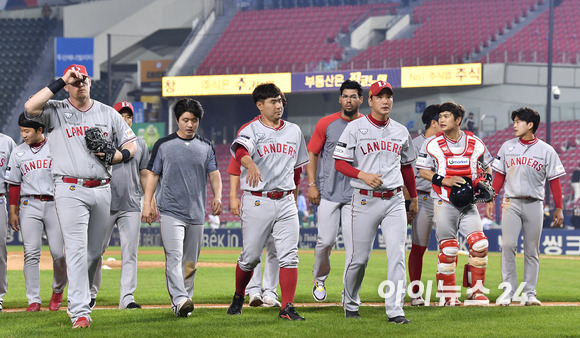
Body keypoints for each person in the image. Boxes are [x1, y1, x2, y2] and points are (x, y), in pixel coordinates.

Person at [24, 64, 138, 328]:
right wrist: (61, 80)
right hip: (69, 187)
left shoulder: (107, 113)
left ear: (90, 82)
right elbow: (30, 108)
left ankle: (82, 298)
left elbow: (131, 142)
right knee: (75, 250)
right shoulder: (56, 111)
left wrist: (120, 155)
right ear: (66, 85)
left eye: (83, 79)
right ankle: (80, 312)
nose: (80, 83)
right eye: (74, 81)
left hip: (102, 187)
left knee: (94, 253)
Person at [334, 80, 417, 322]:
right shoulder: (355, 128)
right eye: (379, 96)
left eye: (388, 96)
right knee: (358, 259)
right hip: (363, 200)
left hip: (394, 200)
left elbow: (407, 168)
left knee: (397, 256)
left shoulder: (401, 131)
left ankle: (395, 310)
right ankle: (350, 302)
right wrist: (362, 175)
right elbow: (340, 162)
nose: (385, 100)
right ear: (369, 101)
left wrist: (413, 199)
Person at [226, 83, 309, 321]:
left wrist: (294, 194)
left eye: (280, 100)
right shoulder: (252, 129)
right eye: (273, 101)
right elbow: (241, 150)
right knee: (251, 257)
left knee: (289, 256)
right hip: (257, 200)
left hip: (285, 200)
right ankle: (239, 295)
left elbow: (296, 169)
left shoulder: (294, 131)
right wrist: (250, 164)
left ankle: (287, 307)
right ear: (260, 105)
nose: (279, 105)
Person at [141, 98, 222, 318]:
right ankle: (179, 299)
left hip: (196, 213)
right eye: (185, 120)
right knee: (174, 257)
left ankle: (185, 300)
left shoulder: (206, 147)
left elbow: (214, 174)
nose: (189, 124)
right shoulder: (163, 145)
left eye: (194, 120)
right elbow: (153, 174)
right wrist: (148, 204)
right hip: (170, 211)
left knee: (190, 262)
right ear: (177, 120)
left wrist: (218, 196)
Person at [486, 107, 565, 306]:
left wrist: (559, 207)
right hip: (511, 202)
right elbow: (499, 176)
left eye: (519, 121)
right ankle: (508, 291)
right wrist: (491, 198)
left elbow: (554, 180)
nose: (514, 124)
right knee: (508, 246)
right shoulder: (507, 146)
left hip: (534, 204)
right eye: (514, 121)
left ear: (530, 125)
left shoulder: (546, 150)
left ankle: (529, 293)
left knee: (532, 250)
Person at [416, 102, 494, 307]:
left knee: (480, 245)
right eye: (440, 116)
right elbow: (423, 171)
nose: (441, 120)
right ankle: (448, 296)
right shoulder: (430, 144)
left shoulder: (476, 143)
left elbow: (487, 167)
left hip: (469, 204)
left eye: (446, 116)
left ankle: (475, 293)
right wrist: (444, 180)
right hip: (443, 201)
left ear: (458, 120)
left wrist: (485, 182)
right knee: (449, 249)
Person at [307, 79, 363, 303]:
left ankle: (349, 292)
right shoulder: (326, 123)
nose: (349, 100)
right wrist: (312, 185)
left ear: (361, 99)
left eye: (353, 96)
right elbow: (312, 153)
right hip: (328, 192)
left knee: (354, 247)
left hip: (355, 194)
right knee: (325, 241)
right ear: (340, 99)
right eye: (345, 96)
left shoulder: (366, 125)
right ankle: (319, 279)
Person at [90, 101, 151, 310]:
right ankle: (89, 293)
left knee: (130, 253)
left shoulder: (140, 143)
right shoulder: (102, 141)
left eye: (129, 116)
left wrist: (149, 202)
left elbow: (144, 173)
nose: (126, 120)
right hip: (104, 203)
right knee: (96, 251)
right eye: (121, 116)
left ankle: (127, 298)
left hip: (131, 203)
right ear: (113, 118)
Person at [6, 114, 66, 312]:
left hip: (54, 204)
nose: (23, 134)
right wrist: (13, 211)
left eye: (27, 130)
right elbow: (14, 184)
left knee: (59, 254)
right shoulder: (18, 152)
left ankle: (57, 290)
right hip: (28, 204)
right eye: (21, 130)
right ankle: (34, 300)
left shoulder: (56, 148)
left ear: (40, 130)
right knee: (31, 253)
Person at [229, 171, 280, 308]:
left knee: (275, 248)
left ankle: (270, 292)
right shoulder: (249, 149)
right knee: (254, 249)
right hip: (256, 198)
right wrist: (233, 196)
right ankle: (253, 290)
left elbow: (296, 176)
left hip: (281, 200)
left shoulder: (288, 149)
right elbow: (235, 166)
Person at [407, 104, 441, 306]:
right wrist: (412, 200)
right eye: (442, 118)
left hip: (444, 198)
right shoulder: (415, 143)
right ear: (434, 122)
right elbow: (408, 174)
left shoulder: (446, 144)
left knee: (448, 247)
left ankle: (447, 291)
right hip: (422, 198)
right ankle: (416, 293)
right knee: (419, 247)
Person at [0, 132, 16, 313]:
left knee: (0, 251)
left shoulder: (7, 142)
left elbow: (13, 176)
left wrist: (14, 206)